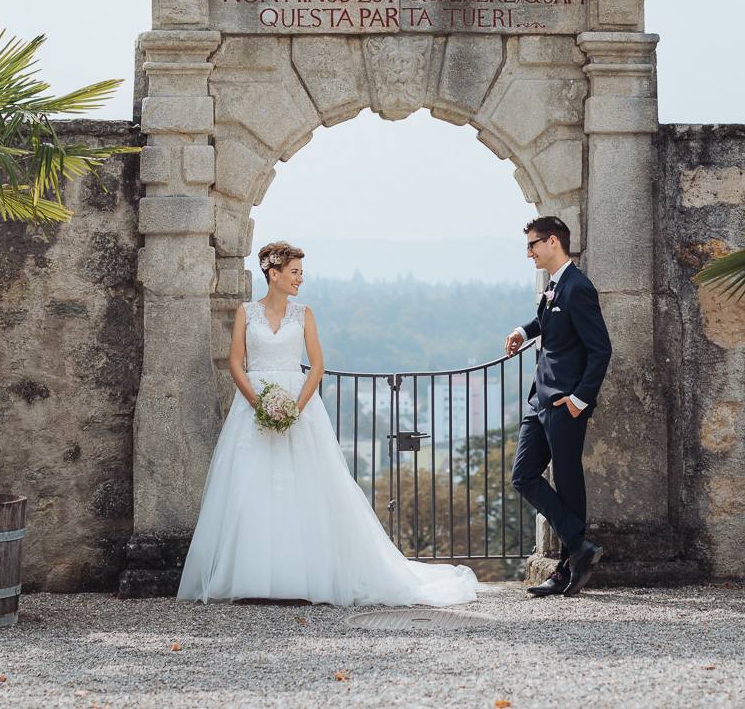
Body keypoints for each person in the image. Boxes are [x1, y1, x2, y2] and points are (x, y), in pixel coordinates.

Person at [177, 240, 478, 606]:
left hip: (298, 404)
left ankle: (302, 577)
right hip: (252, 406)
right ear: (273, 273)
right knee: (248, 487)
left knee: (306, 488)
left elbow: (317, 366)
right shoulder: (245, 312)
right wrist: (258, 404)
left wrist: (295, 409)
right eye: (294, 272)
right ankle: (250, 577)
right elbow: (236, 363)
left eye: (301, 272)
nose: (300, 279)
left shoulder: (304, 314)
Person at [505, 216, 612, 597]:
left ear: (553, 242)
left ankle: (568, 568)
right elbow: (546, 322)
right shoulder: (554, 285)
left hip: (566, 402)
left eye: (532, 244)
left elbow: (601, 349)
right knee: (523, 475)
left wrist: (580, 399)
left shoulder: (579, 287)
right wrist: (523, 331)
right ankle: (580, 548)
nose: (529, 252)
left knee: (567, 483)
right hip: (540, 399)